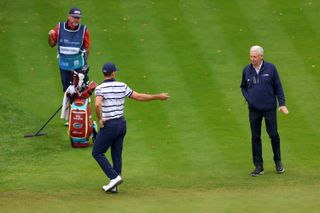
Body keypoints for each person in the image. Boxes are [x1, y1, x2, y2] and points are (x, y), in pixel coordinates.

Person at [92, 62, 170, 193]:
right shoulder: (122, 86)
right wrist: (158, 96)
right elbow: (138, 96)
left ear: (103, 73)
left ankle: (114, 177)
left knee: (97, 152)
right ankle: (115, 185)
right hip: (121, 125)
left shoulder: (100, 89)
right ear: (113, 73)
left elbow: (97, 104)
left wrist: (100, 119)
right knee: (116, 154)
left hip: (110, 125)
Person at [240, 45, 289, 177]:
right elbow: (243, 87)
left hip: (269, 108)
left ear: (261, 56)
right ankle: (258, 166)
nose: (252, 59)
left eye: (254, 56)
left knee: (273, 134)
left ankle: (278, 162)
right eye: (251, 56)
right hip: (254, 110)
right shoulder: (247, 70)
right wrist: (248, 98)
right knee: (255, 137)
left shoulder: (271, 68)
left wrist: (282, 103)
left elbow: (278, 87)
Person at [48, 7, 90, 92]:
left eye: (78, 18)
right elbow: (52, 44)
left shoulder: (84, 29)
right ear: (69, 17)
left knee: (81, 91)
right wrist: (50, 36)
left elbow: (87, 47)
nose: (76, 20)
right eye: (74, 17)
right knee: (67, 91)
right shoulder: (59, 27)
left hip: (78, 66)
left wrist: (85, 62)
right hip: (64, 66)